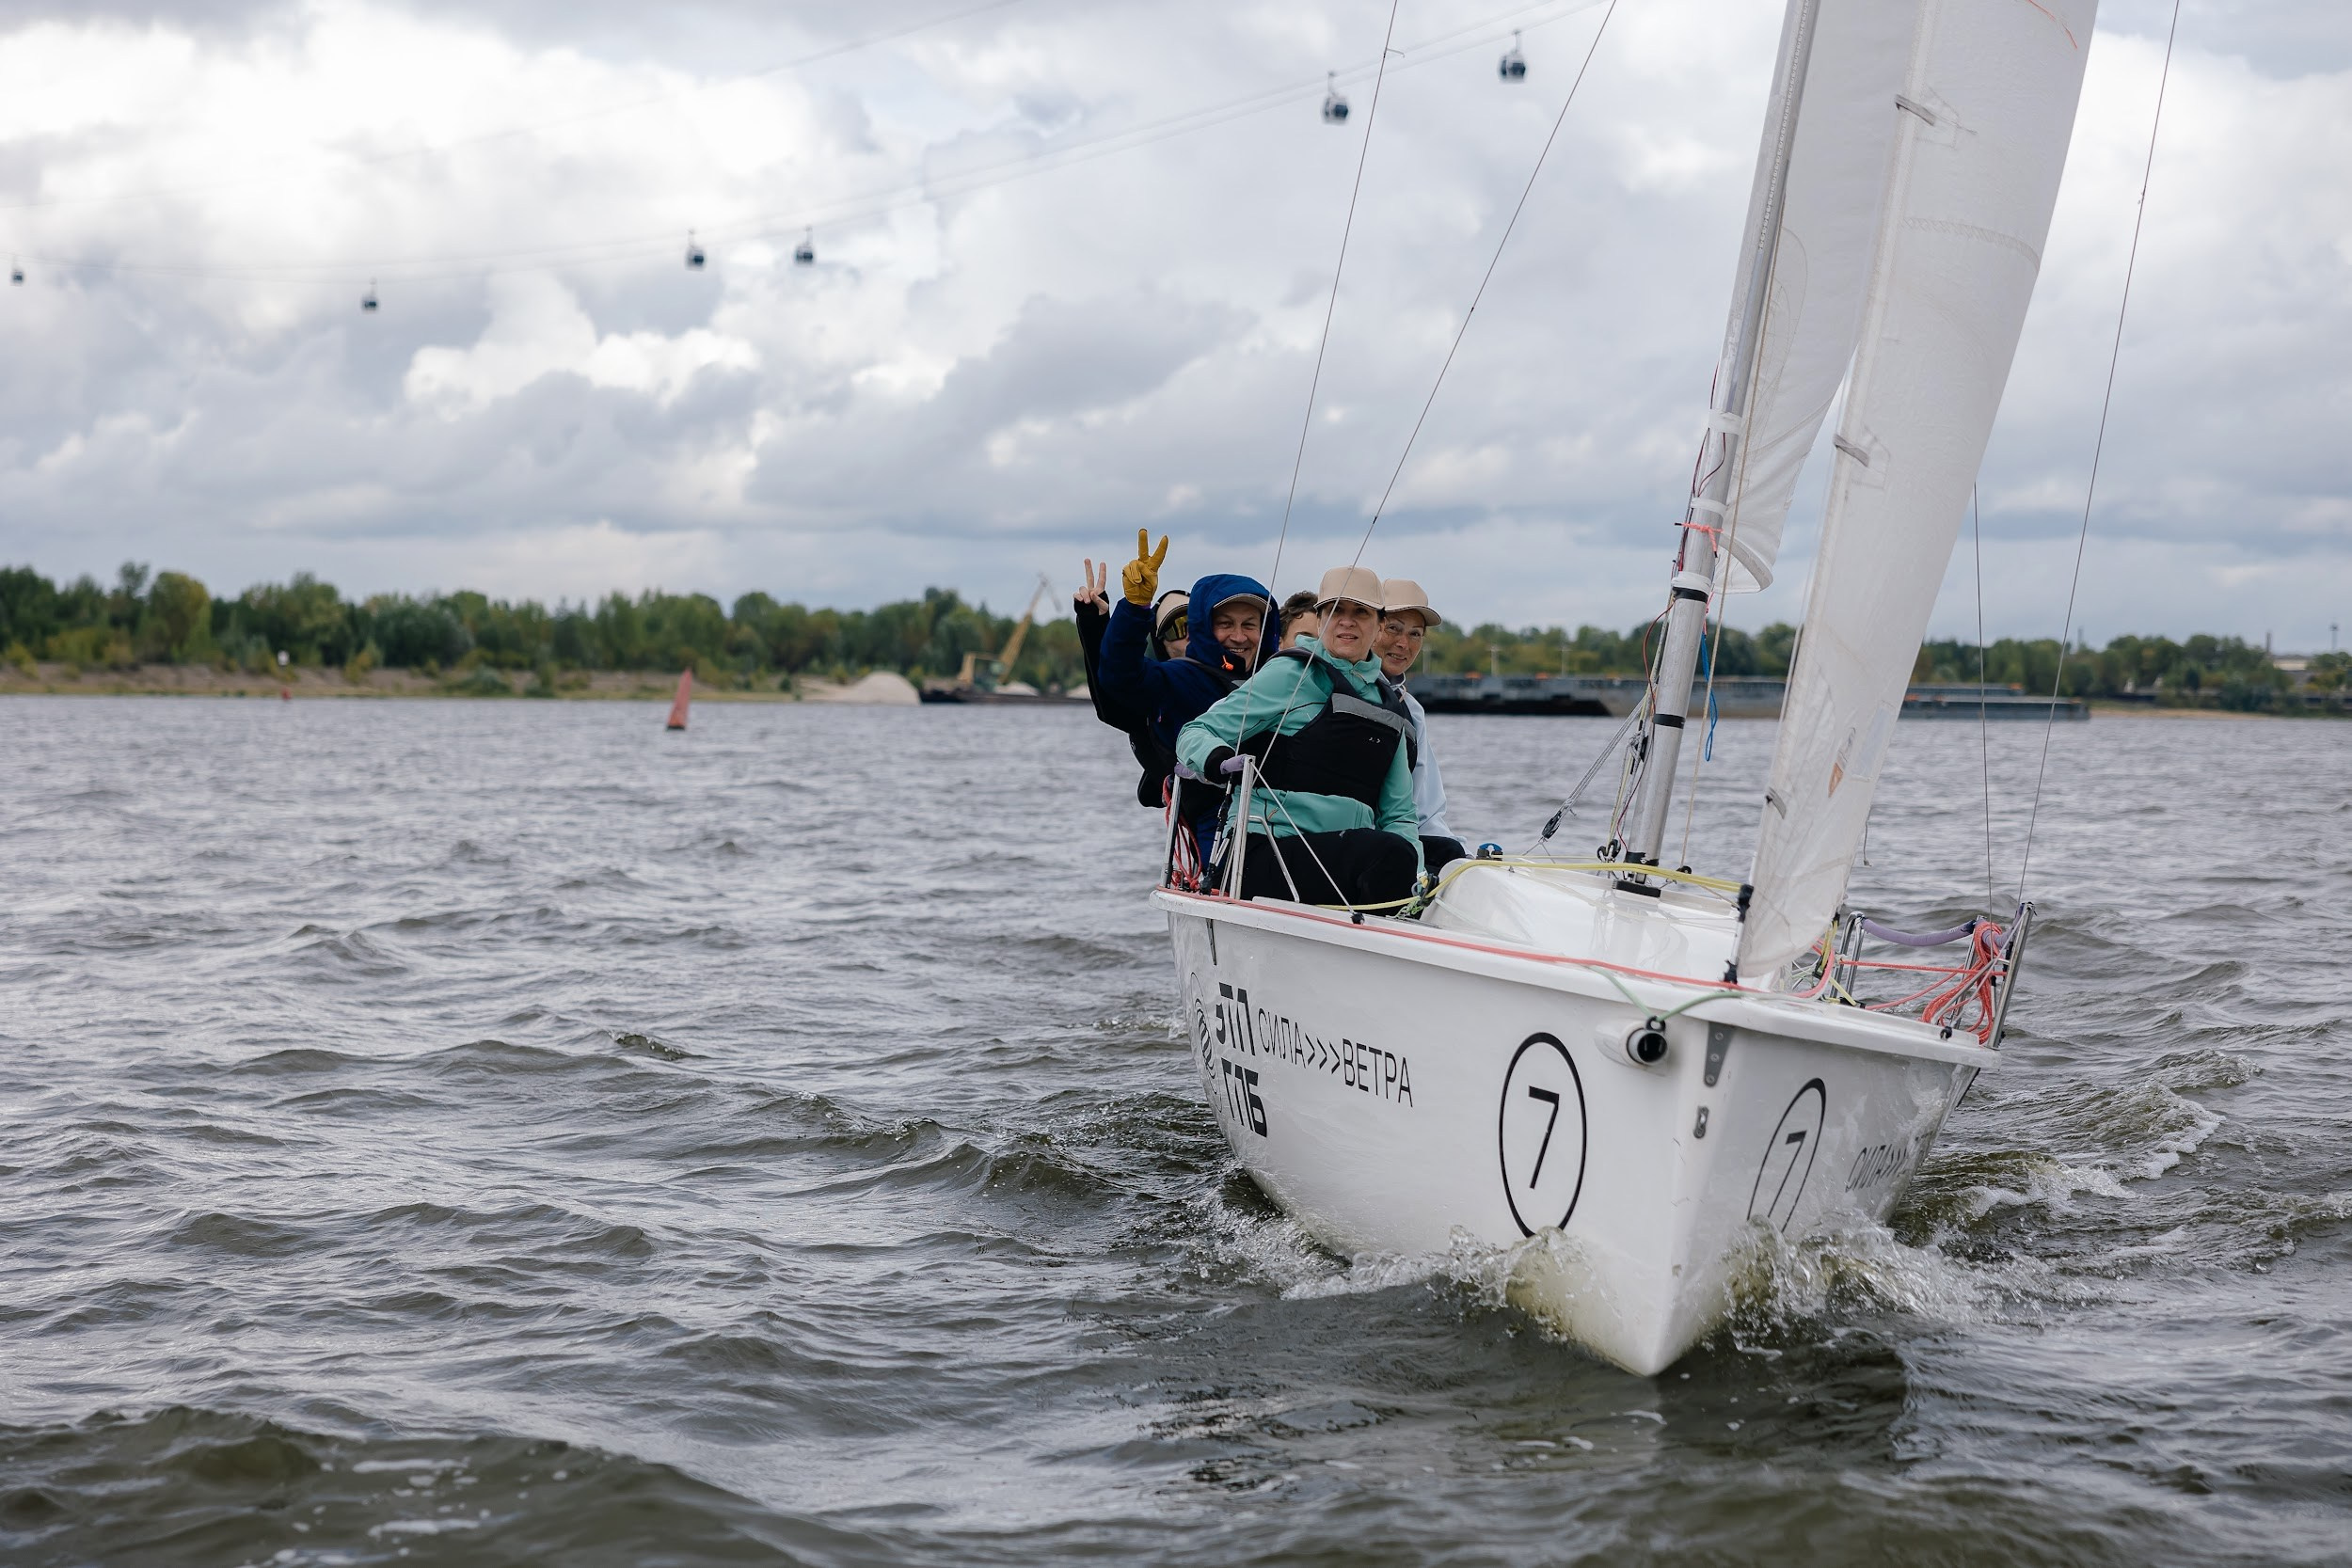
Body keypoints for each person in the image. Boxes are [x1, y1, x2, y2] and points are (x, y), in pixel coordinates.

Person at [1177, 565, 1421, 909]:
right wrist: (1215, 759)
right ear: (1321, 620)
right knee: (1387, 853)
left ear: (1379, 625)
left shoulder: (1390, 706)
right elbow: (1195, 732)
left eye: (1360, 612)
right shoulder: (1289, 673)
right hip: (1264, 850)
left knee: (1434, 855)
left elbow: (1399, 816)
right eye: (1335, 610)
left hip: (1342, 857)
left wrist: (1417, 885)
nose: (1346, 621)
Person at [1095, 532, 1278, 844]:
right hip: (1216, 825)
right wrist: (1135, 608)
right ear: (1203, 628)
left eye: (1250, 624)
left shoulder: (1279, 681)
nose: (1239, 636)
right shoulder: (1178, 678)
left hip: (1286, 819)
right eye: (1225, 624)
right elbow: (1119, 676)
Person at [1374, 578, 1466, 873]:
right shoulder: (1336, 689)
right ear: (1370, 626)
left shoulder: (1412, 711)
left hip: (1396, 839)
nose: (1404, 644)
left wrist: (1463, 862)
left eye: (1415, 634)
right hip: (1355, 840)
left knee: (1452, 853)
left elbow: (1427, 811)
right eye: (1394, 629)